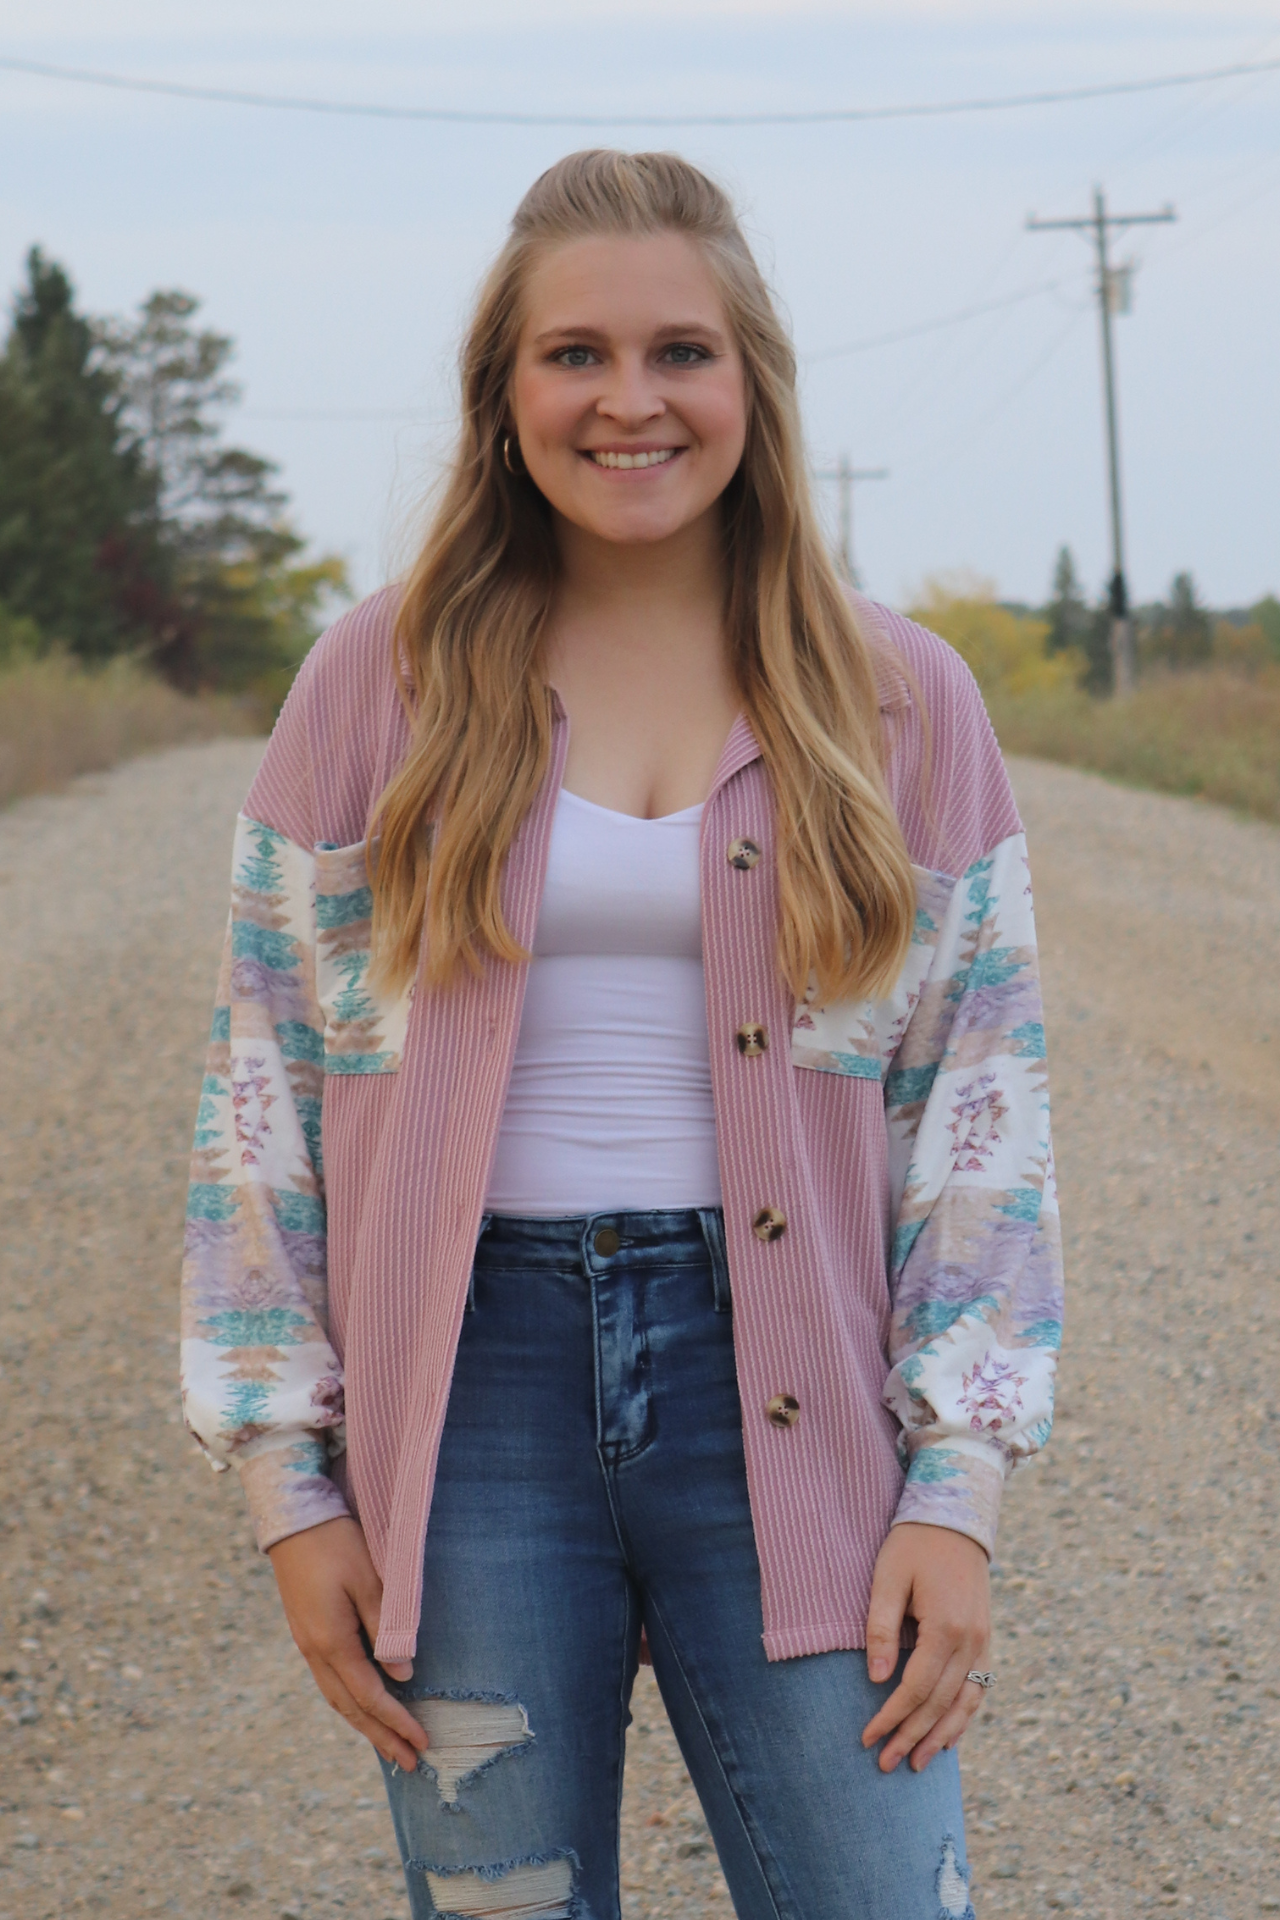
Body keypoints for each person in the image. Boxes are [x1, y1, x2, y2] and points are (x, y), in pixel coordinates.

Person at [181, 149, 1061, 1920]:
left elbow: (979, 1103)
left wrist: (954, 1488)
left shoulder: (900, 700)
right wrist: (291, 1483)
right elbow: (260, 1088)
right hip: (471, 1409)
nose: (630, 400)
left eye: (681, 352)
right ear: (504, 396)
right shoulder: (378, 682)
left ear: (752, 383)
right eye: (575, 354)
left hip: (792, 1396)